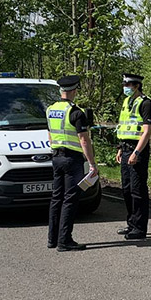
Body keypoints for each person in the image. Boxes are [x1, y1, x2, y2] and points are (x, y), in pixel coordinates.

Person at [47, 75, 97, 252]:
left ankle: (52, 239)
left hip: (56, 157)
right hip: (72, 159)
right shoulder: (76, 112)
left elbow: (50, 134)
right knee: (70, 199)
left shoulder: (50, 109)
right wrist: (92, 163)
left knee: (56, 198)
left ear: (61, 91)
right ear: (74, 91)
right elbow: (84, 140)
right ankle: (65, 240)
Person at [116, 73, 151, 240]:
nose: (125, 87)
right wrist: (119, 148)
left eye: (128, 85)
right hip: (125, 149)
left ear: (136, 86)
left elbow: (147, 131)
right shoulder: (126, 102)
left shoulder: (145, 103)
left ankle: (139, 229)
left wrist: (136, 152)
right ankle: (131, 223)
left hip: (137, 150)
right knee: (126, 189)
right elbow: (122, 127)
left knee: (137, 190)